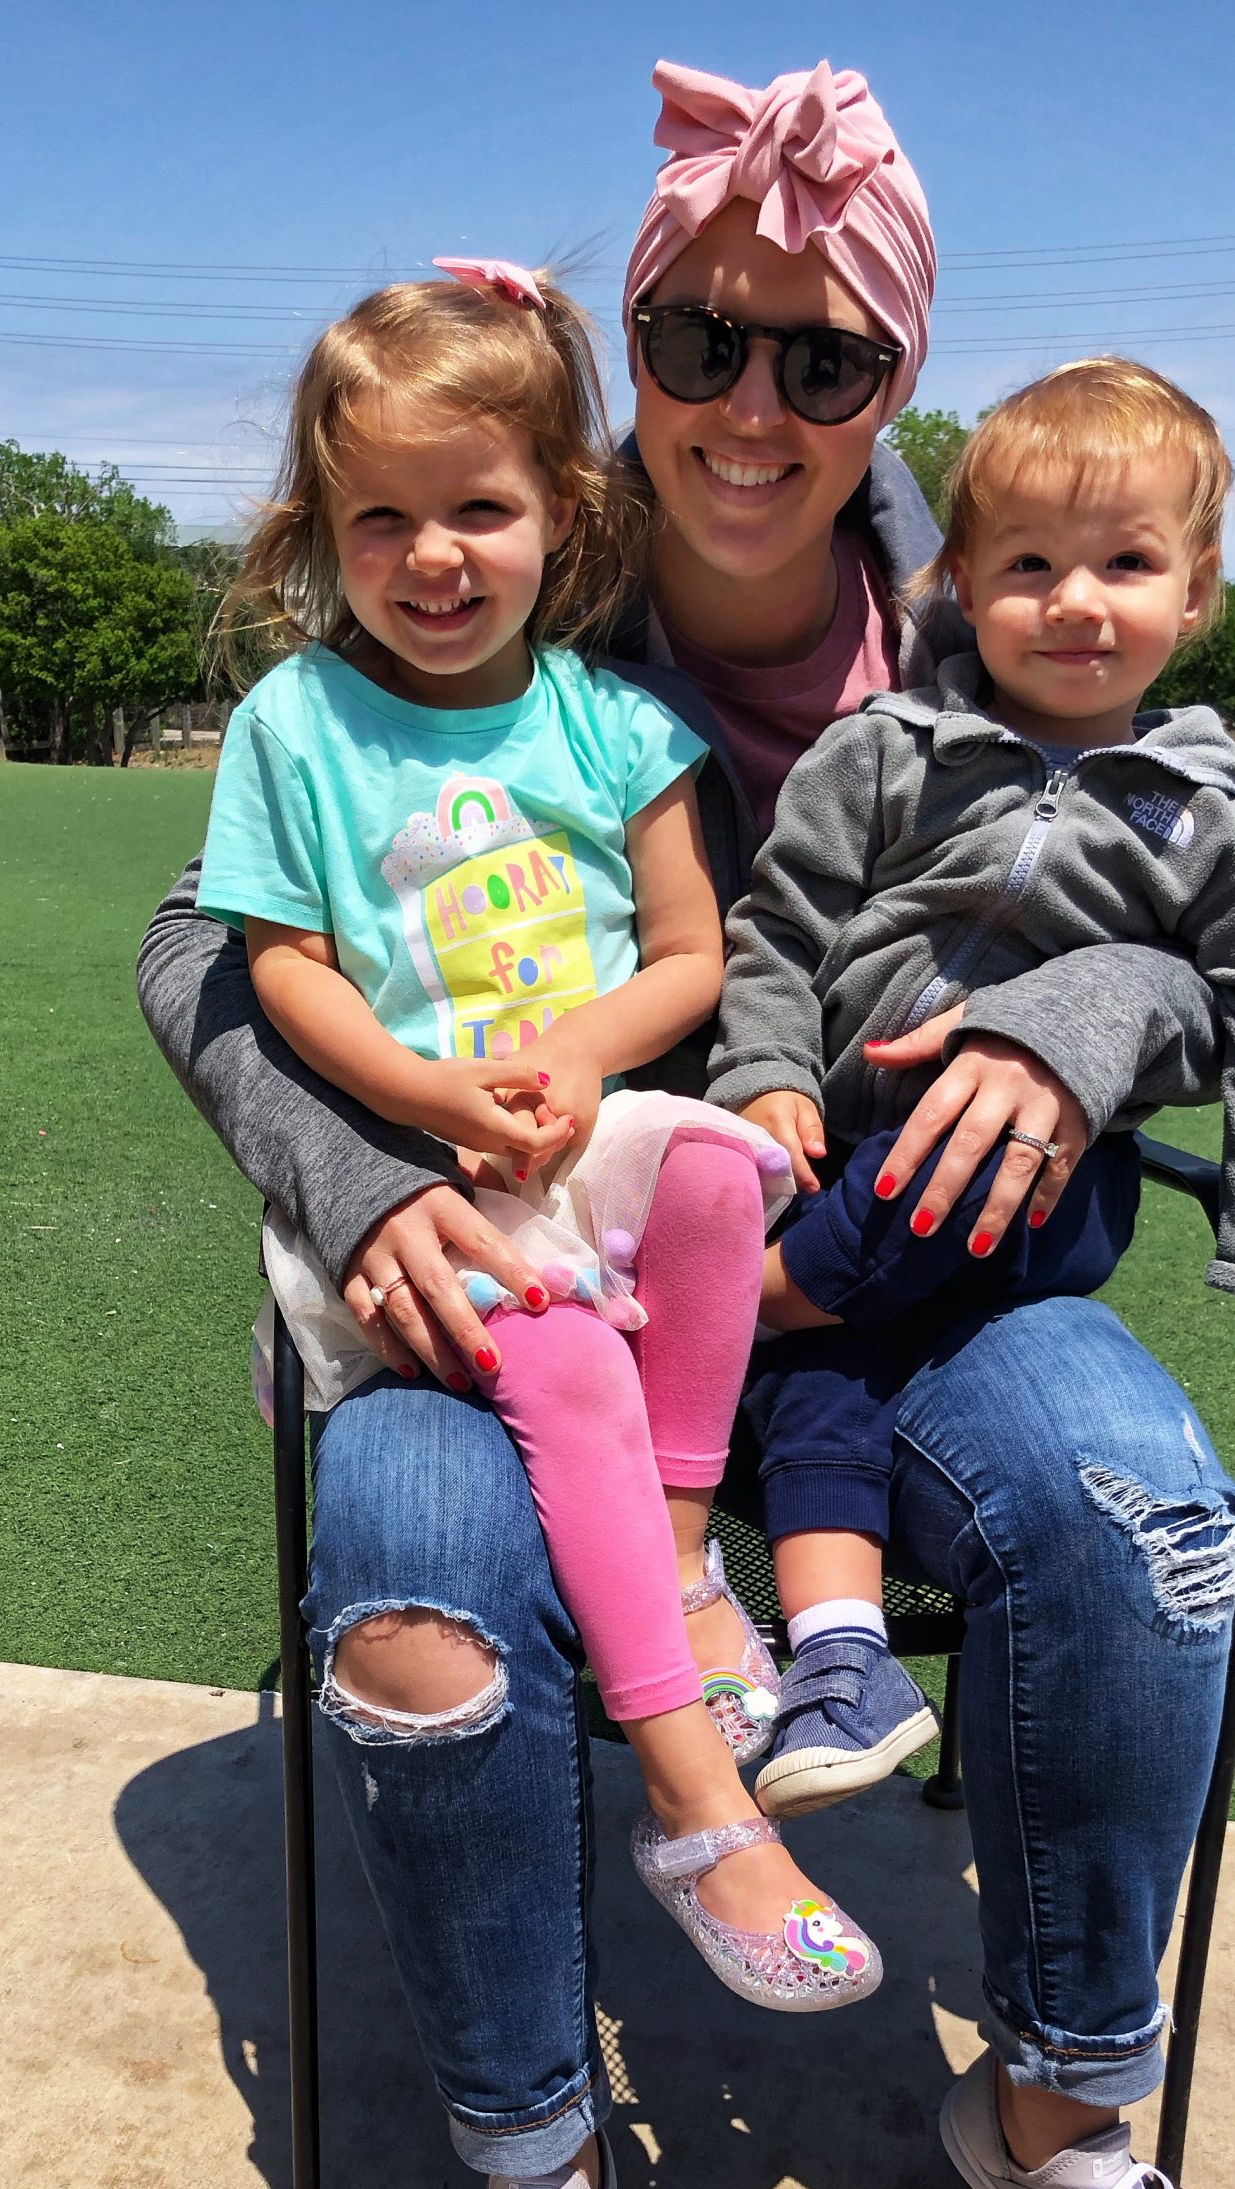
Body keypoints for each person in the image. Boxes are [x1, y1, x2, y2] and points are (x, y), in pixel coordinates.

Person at [139, 57, 1235, 2189]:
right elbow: (197, 949)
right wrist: (357, 1177)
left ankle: (1058, 2120)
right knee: (424, 1590)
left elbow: (1220, 916)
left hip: (888, 1280)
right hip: (516, 1257)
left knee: (1141, 1511)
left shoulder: (1019, 595)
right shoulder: (518, 556)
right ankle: (541, 2178)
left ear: (898, 388)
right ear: (626, 344)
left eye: (826, 357)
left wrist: (1087, 1026)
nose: (756, 403)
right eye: (703, 338)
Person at [196, 257, 882, 2009]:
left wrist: (577, 1062)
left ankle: (670, 1556)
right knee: (566, 1360)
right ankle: (691, 1794)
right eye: (381, 520)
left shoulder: (615, 722)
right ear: (318, 527)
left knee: (731, 1168)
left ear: (560, 512)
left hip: (581, 1138)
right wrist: (425, 1100)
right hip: (417, 1182)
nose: (433, 558)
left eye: (478, 510)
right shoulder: (296, 724)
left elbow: (690, 956)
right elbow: (275, 965)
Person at [719, 357, 1235, 1842]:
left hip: (1030, 1193)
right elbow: (779, 923)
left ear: (1195, 592)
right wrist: (758, 1072)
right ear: (962, 588)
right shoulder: (887, 753)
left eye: (1126, 563)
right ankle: (841, 1663)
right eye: (1030, 566)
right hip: (842, 1160)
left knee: (807, 1299)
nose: (1077, 601)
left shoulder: (1199, 814)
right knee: (826, 1384)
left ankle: (720, 1307)